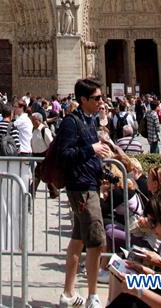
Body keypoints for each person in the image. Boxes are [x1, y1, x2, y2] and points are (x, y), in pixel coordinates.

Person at [55, 77, 112, 308]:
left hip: (89, 185)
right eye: (97, 98)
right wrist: (92, 149)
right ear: (84, 99)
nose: (101, 101)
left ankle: (68, 294)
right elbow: (64, 155)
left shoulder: (89, 121)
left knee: (77, 241)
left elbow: (90, 154)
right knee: (96, 242)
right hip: (82, 189)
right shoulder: (72, 122)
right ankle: (92, 296)